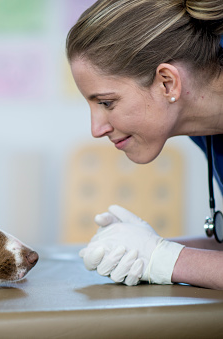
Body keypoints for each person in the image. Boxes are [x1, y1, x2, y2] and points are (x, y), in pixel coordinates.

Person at [66, 0, 223, 290]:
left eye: (106, 103)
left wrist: (165, 259)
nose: (96, 129)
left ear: (167, 83)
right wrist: (137, 249)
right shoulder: (205, 131)